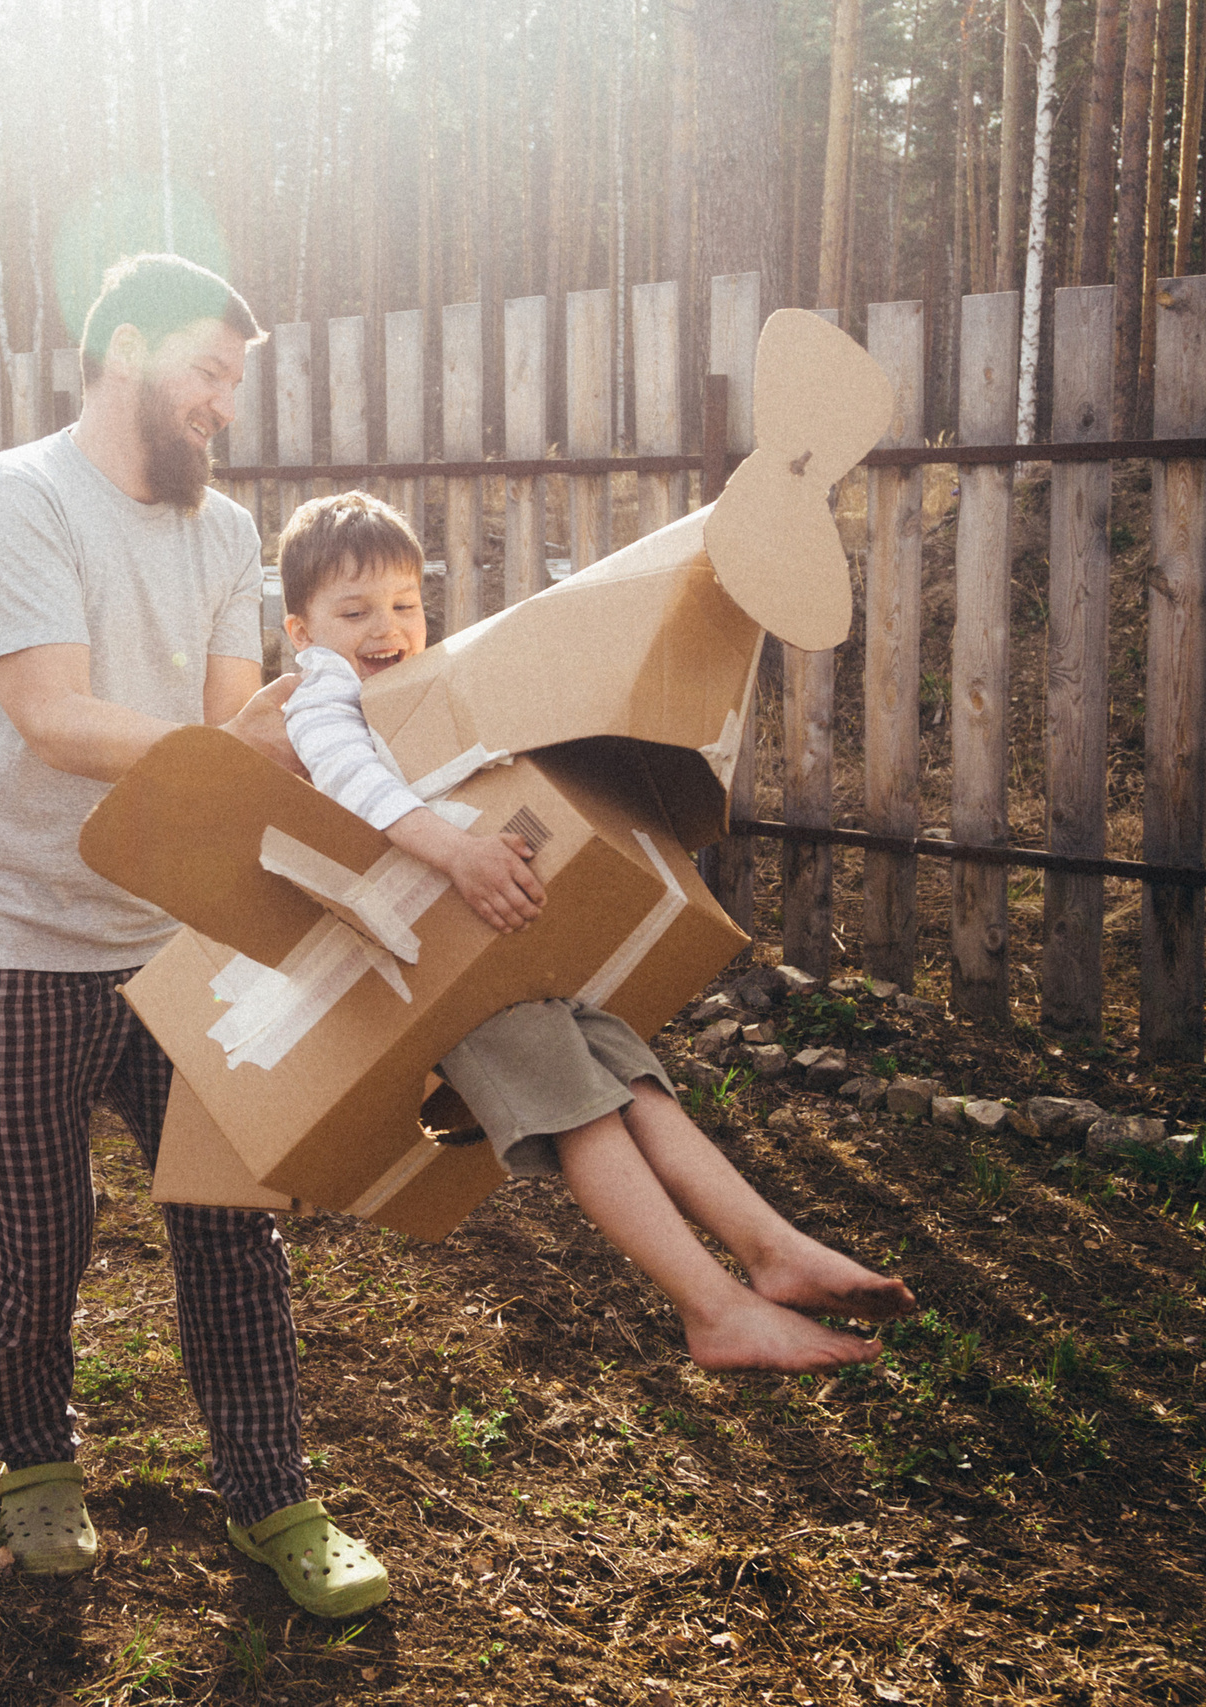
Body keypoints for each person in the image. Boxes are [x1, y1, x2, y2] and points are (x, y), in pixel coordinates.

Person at [0, 254, 387, 1617]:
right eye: (207, 372)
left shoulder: (225, 532)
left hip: (180, 929)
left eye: (234, 383)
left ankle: (272, 1491)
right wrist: (232, 748)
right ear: (125, 348)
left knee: (233, 1220)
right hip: (9, 928)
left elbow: (234, 734)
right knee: (37, 1230)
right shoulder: (15, 498)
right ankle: (32, 1462)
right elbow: (55, 720)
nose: (223, 405)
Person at [275, 490, 918, 1373]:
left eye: (405, 604)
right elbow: (352, 781)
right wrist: (458, 853)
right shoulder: (322, 695)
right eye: (354, 613)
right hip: (425, 963)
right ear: (302, 632)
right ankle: (714, 1306)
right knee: (582, 1112)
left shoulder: (420, 689)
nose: (387, 628)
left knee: (627, 1073)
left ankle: (771, 1246)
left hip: (493, 951)